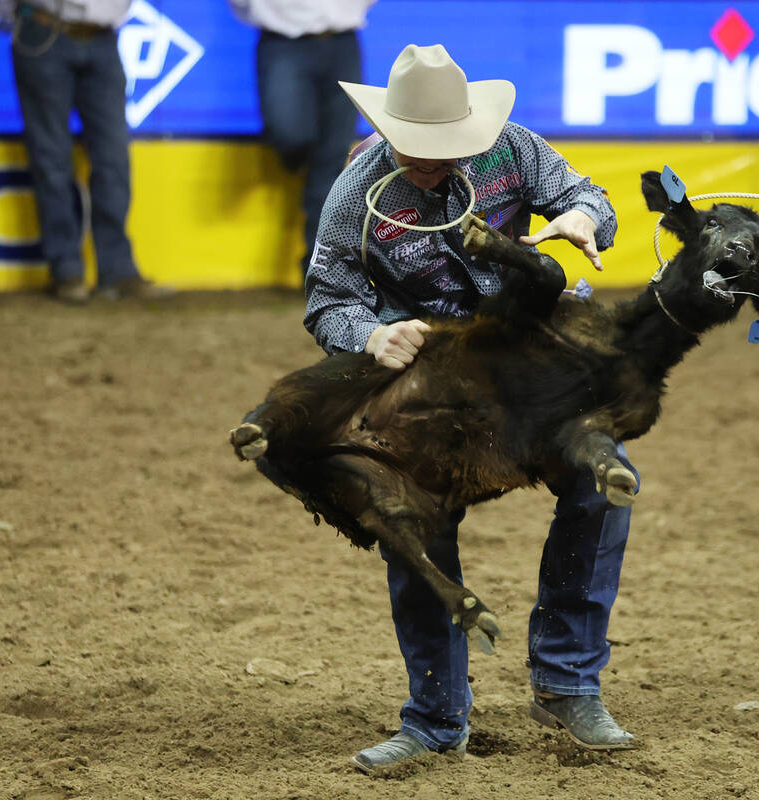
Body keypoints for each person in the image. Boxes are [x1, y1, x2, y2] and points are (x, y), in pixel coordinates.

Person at [305, 44, 636, 773]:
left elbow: (594, 201)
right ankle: (435, 716)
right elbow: (328, 300)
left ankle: (566, 682)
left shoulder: (514, 151)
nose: (435, 162)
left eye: (447, 148)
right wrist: (372, 334)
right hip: (428, 386)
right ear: (389, 134)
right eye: (420, 150)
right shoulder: (356, 190)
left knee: (603, 479)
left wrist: (582, 217)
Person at [0, 0, 171, 304]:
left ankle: (117, 271)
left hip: (103, 36)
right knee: (51, 159)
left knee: (113, 158)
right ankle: (66, 270)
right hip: (44, 28)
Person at [228, 0, 374, 275]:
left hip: (344, 40)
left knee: (332, 161)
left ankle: (319, 267)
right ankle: (294, 159)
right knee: (290, 134)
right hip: (282, 40)